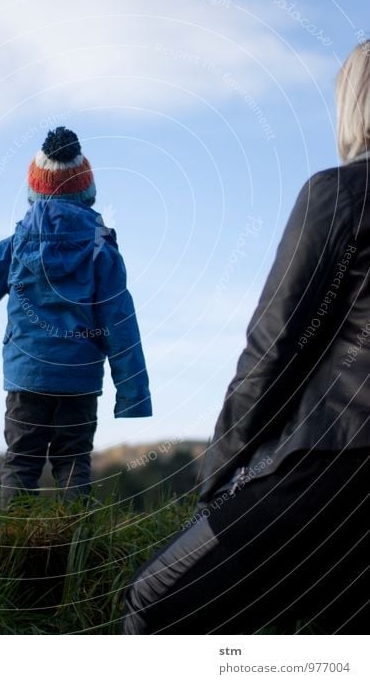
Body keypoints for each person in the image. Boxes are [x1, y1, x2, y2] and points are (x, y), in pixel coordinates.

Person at [123, 40, 370, 635]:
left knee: (153, 600)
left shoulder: (338, 195)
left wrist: (218, 478)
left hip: (332, 465)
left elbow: (274, 347)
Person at [0, 127, 151, 507]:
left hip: (27, 376)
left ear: (33, 193)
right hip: (79, 380)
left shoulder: (17, 245)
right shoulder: (102, 250)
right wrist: (134, 394)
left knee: (21, 463)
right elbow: (120, 319)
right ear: (87, 194)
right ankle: (77, 549)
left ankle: (13, 549)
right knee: (73, 462)